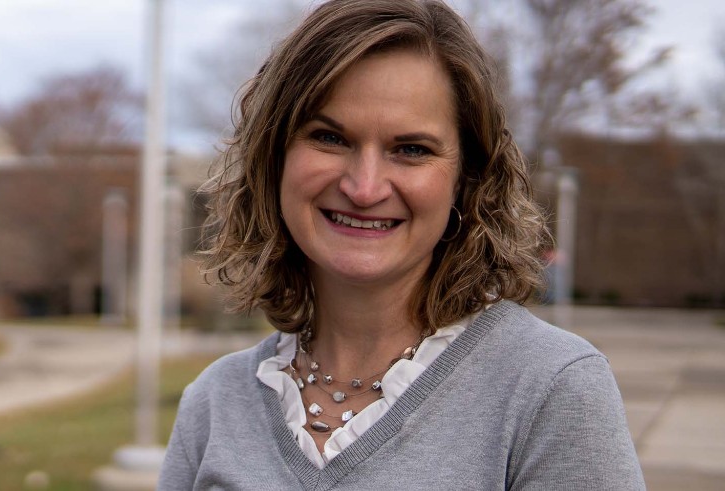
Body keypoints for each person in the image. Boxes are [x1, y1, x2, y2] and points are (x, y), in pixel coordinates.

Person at [158, 0, 644, 489]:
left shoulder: (551, 388)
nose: (364, 188)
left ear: (466, 178)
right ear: (275, 157)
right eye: (330, 138)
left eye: (411, 149)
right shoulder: (214, 402)